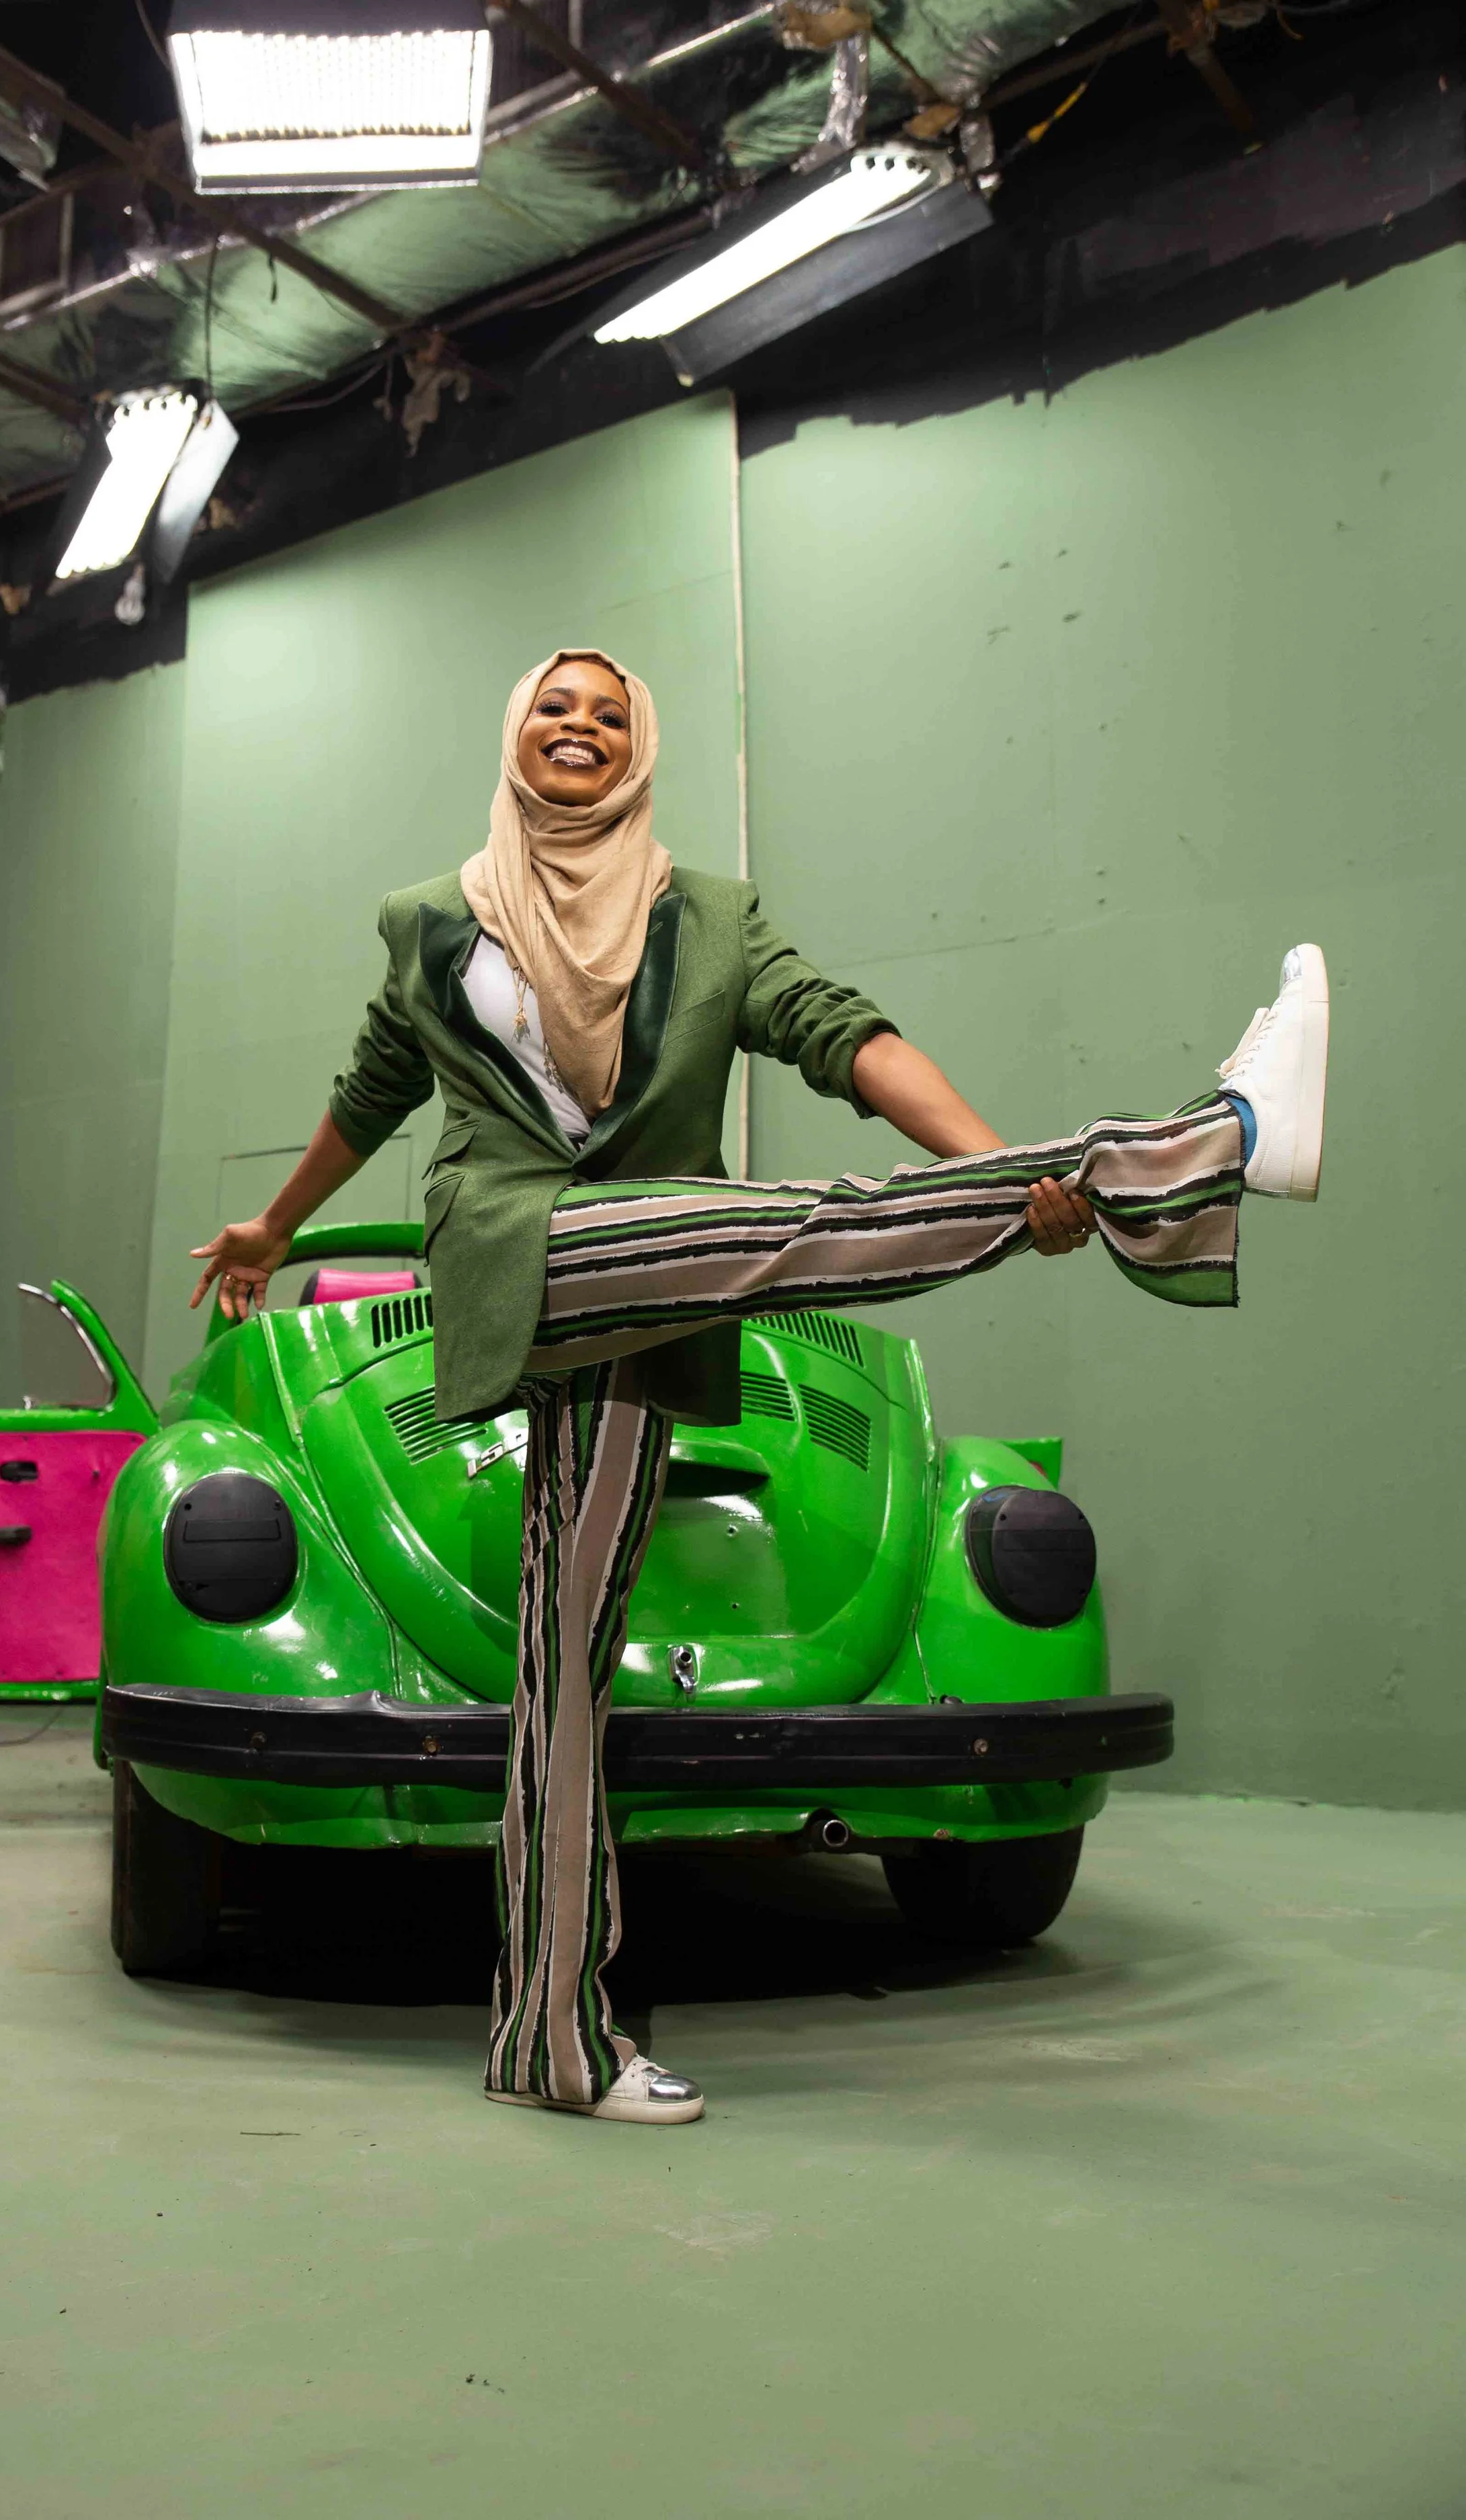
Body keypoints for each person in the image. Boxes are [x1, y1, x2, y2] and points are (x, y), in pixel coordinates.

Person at [190, 647, 1330, 2130]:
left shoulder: (708, 918)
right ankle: (1184, 1163)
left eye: (609, 712)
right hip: (516, 1249)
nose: (579, 726)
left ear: (640, 750)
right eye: (555, 705)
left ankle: (547, 2035)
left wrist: (973, 1152)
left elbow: (842, 1040)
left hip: (648, 1309)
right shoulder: (429, 925)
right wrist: (272, 1227)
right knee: (786, 1230)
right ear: (514, 733)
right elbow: (366, 1098)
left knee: (566, 1673)